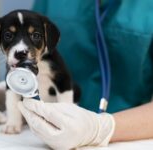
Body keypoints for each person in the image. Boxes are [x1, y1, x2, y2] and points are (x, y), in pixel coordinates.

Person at [17, 0, 153, 149]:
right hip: (47, 129)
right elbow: (32, 54)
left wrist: (100, 129)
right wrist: (16, 89)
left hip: (131, 137)